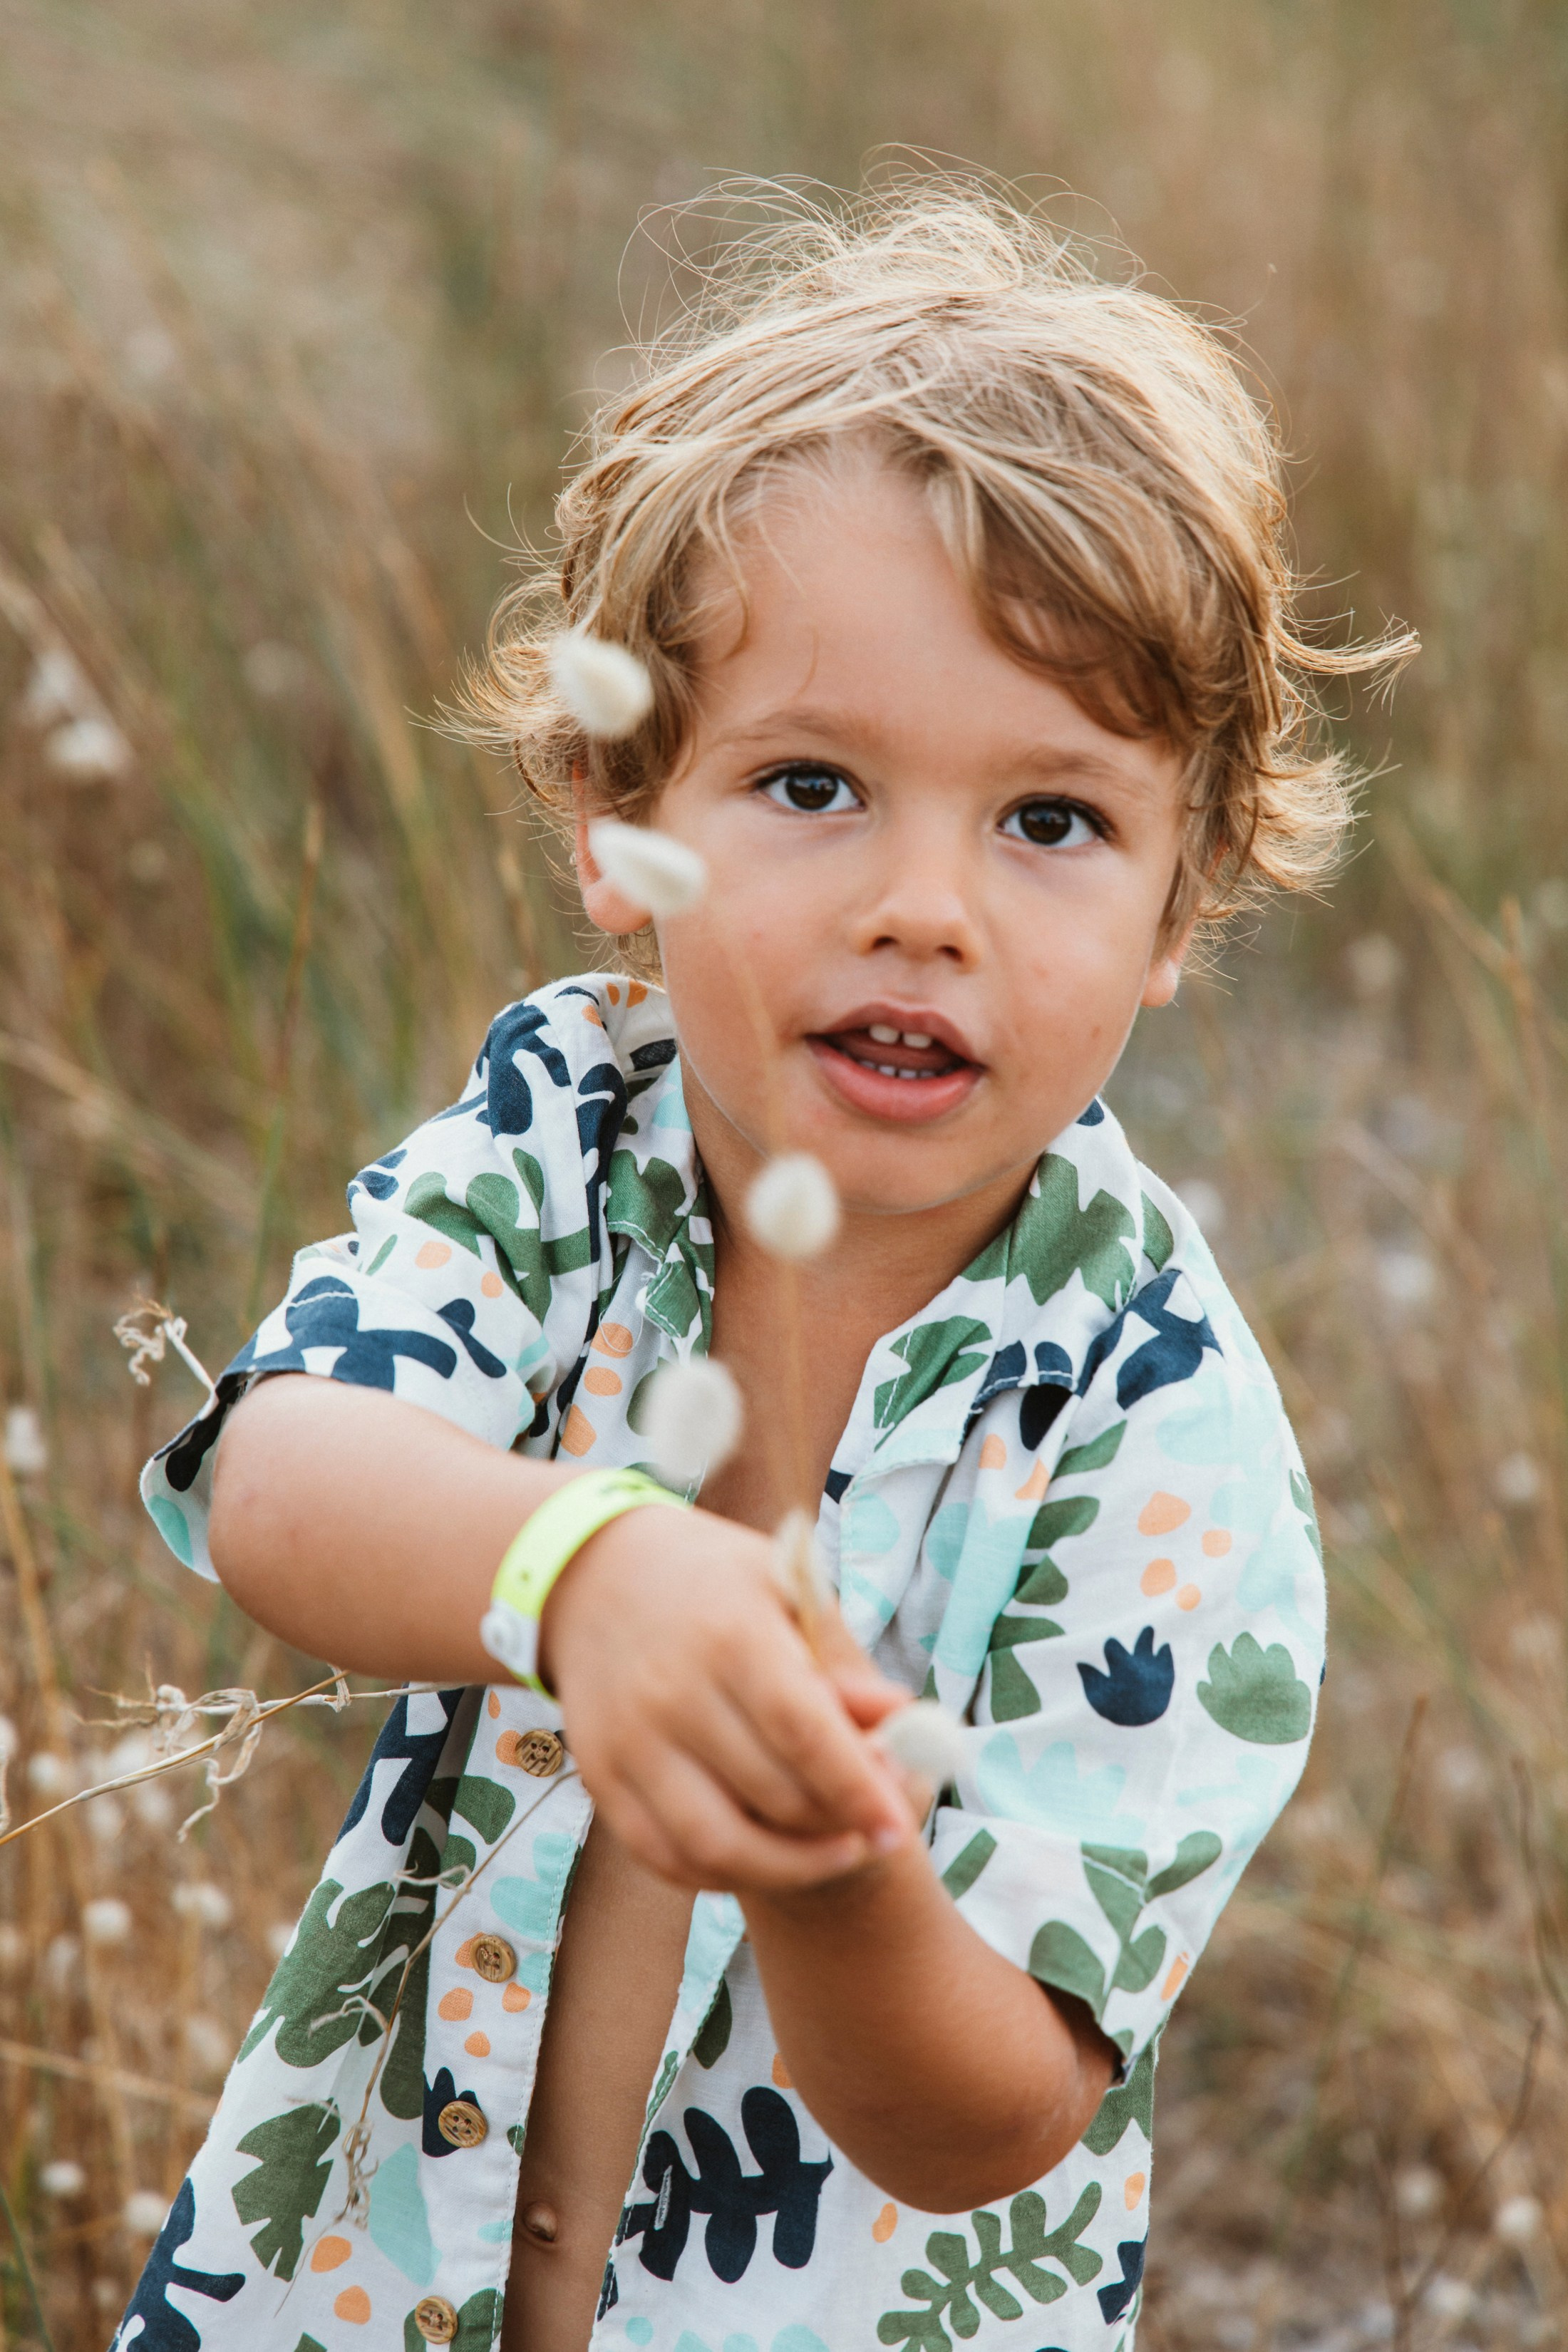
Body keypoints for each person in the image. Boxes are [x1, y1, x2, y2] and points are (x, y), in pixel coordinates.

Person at [118, 181, 1408, 2352]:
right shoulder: (568, 1136)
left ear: (1185, 906)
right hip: (358, 2290)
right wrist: (583, 1564)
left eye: (1052, 820)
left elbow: (987, 2114)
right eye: (813, 782)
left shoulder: (1164, 1429)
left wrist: (835, 1857)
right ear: (622, 823)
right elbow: (284, 1476)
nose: (926, 905)